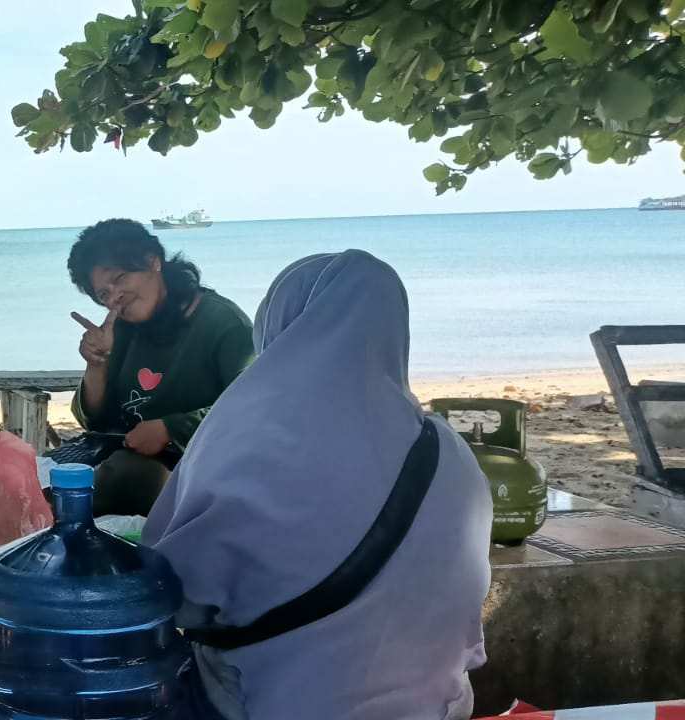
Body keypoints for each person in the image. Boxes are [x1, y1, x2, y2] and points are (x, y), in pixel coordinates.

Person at [143, 250, 492, 719]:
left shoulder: (244, 438)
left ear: (279, 326)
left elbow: (176, 592)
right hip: (436, 703)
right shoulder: (447, 449)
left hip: (278, 703)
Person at [66, 219, 254, 516]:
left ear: (153, 261)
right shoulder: (125, 327)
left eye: (121, 278)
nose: (115, 297)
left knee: (123, 479)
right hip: (122, 461)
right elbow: (96, 423)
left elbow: (255, 408)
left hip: (201, 475)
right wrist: (96, 364)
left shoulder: (222, 323)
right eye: (103, 294)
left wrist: (171, 429)